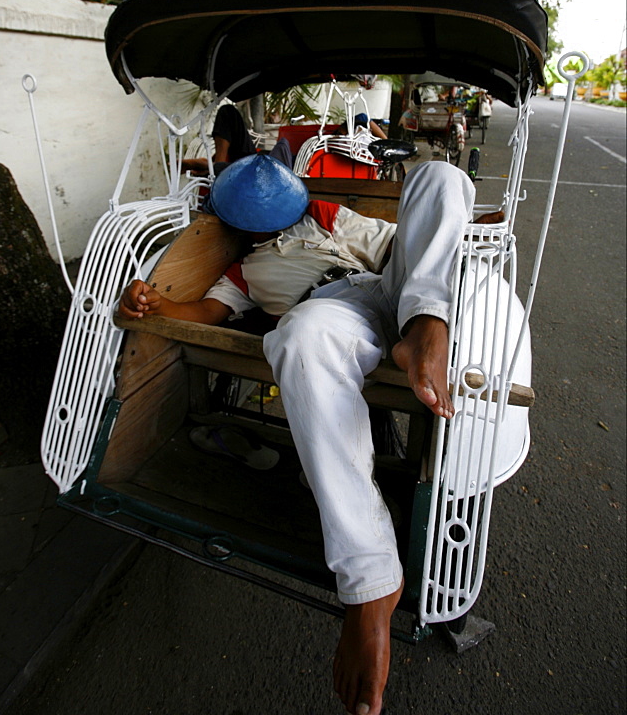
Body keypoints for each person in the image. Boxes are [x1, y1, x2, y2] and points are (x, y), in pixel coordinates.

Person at [118, 154, 496, 715]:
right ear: (242, 230)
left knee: (439, 177)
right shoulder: (243, 273)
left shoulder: (321, 215)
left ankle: (425, 329)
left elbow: (398, 245)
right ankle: (370, 584)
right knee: (298, 337)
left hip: (395, 292)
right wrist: (157, 302)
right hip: (333, 319)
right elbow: (202, 310)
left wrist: (445, 229)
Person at [182, 102, 292, 175]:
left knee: (281, 147)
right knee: (227, 111)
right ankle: (217, 167)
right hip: (255, 161)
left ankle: (214, 168)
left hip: (268, 174)